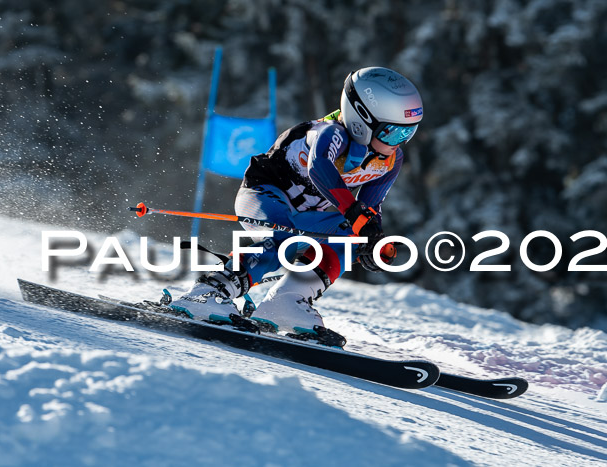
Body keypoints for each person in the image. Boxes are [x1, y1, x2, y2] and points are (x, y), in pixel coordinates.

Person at [169, 66, 423, 341]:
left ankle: (286, 301)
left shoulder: (390, 160)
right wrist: (354, 212)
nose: (399, 143)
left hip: (304, 215)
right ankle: (209, 291)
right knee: (283, 237)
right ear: (361, 119)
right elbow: (319, 168)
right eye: (392, 133)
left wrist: (372, 239)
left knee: (353, 236)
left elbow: (369, 209)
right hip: (262, 195)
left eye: (408, 134)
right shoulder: (329, 133)